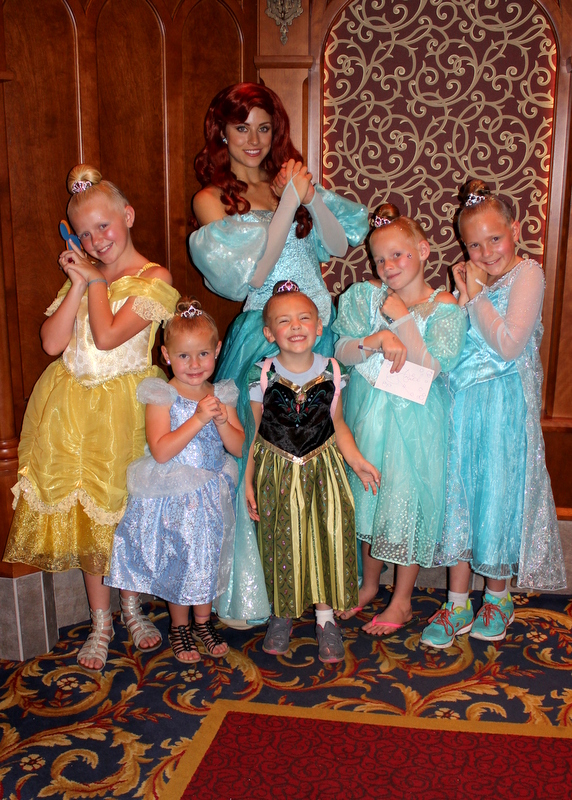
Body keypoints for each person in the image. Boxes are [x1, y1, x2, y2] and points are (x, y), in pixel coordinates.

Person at [188, 82, 370, 623]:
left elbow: (338, 245)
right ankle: (260, 594)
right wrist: (292, 199)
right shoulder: (212, 198)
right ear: (222, 132)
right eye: (241, 127)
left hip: (316, 335)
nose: (254, 139)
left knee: (322, 454)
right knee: (261, 453)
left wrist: (309, 198)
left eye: (264, 128)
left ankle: (320, 584)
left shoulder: (288, 180)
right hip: (264, 337)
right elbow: (253, 275)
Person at [3, 165, 179, 671]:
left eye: (104, 225)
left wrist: (95, 279)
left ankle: (132, 607)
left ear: (128, 216)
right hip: (73, 412)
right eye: (84, 233)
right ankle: (102, 622)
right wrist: (79, 283)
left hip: (127, 412)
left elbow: (107, 337)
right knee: (90, 519)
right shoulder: (86, 276)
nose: (97, 240)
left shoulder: (155, 278)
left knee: (125, 515)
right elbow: (52, 342)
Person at [421, 180, 566, 649]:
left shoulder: (528, 273)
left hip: (505, 406)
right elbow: (456, 341)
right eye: (474, 245)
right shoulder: (470, 279)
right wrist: (457, 300)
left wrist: (477, 294)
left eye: (495, 239)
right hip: (463, 404)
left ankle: (498, 597)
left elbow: (507, 345)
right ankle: (457, 601)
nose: (486, 253)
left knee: (496, 495)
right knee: (460, 496)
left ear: (515, 231)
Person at [333, 204, 467, 635]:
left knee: (406, 502)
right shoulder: (363, 297)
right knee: (371, 498)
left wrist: (403, 318)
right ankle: (369, 584)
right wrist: (375, 338)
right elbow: (341, 352)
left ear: (423, 251)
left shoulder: (443, 305)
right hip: (369, 417)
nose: (387, 266)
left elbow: (435, 365)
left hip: (418, 424)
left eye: (398, 255)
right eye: (379, 259)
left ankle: (402, 599)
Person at [244, 280, 380, 662]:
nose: (296, 326)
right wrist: (247, 481)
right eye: (284, 320)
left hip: (324, 472)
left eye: (304, 318)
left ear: (319, 326)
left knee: (326, 539)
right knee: (281, 540)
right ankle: (282, 613)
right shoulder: (262, 374)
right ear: (269, 333)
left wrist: (356, 460)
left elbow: (339, 424)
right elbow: (254, 432)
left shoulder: (334, 370)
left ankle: (325, 619)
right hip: (277, 473)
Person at [106, 299, 244, 662]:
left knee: (207, 557)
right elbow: (162, 450)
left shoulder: (222, 393)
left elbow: (238, 446)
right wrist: (198, 419)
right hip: (175, 494)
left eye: (203, 354)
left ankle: (204, 622)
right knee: (181, 559)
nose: (194, 365)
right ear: (167, 355)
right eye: (184, 356)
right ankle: (180, 626)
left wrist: (221, 421)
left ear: (217, 350)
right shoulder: (162, 394)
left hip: (211, 492)